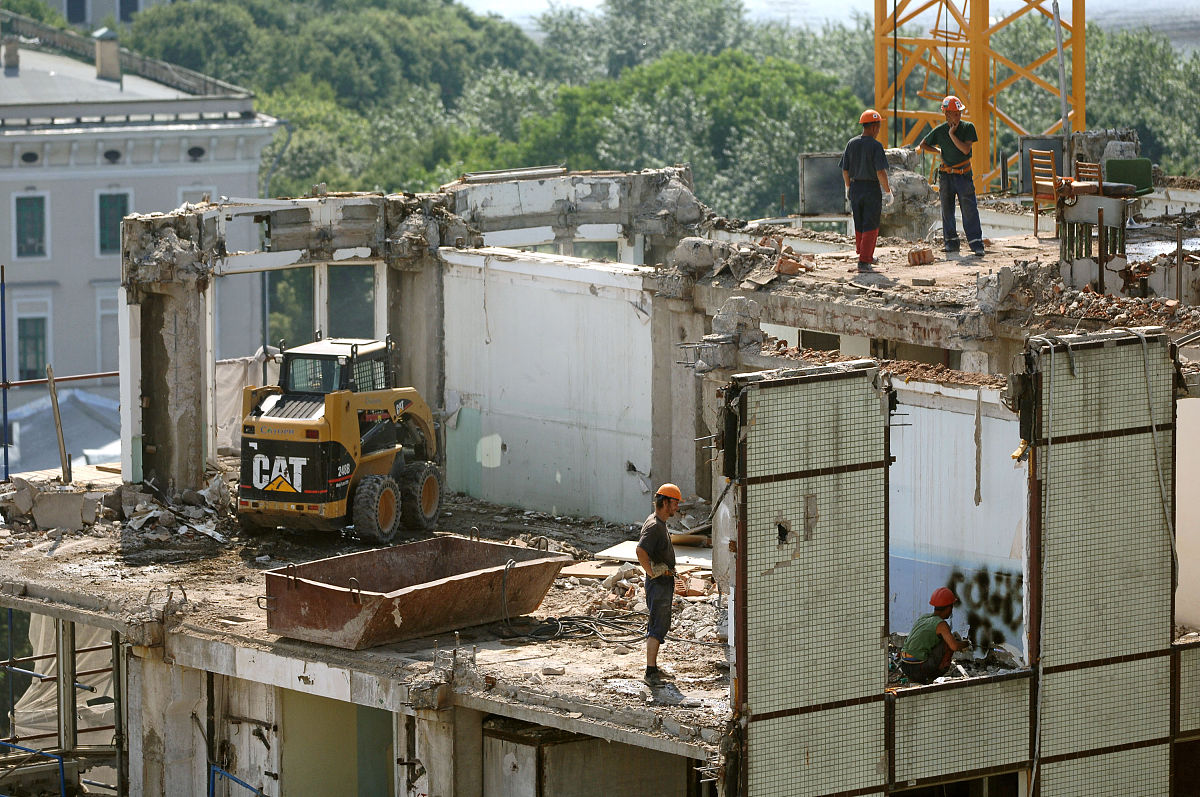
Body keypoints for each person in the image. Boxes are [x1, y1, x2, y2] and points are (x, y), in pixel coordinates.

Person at [918, 95, 985, 257]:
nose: (958, 115)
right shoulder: (939, 131)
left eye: (959, 112)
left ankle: (976, 243)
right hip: (946, 176)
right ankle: (951, 243)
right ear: (947, 114)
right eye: (955, 113)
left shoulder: (968, 128)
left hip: (963, 175)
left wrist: (952, 134)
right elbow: (923, 144)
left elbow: (965, 150)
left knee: (969, 209)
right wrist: (938, 151)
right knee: (947, 210)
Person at [636, 483, 681, 683]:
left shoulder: (658, 522)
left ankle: (653, 668)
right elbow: (640, 550)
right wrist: (652, 572)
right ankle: (650, 672)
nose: (677, 507)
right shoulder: (654, 526)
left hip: (663, 582)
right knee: (656, 625)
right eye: (674, 503)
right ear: (665, 502)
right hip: (659, 583)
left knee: (660, 624)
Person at [840, 108, 894, 272]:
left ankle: (865, 254)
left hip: (855, 187)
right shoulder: (876, 146)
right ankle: (864, 261)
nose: (878, 130)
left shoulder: (851, 143)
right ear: (873, 127)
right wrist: (888, 192)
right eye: (878, 127)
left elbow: (845, 169)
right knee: (871, 224)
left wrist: (848, 186)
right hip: (870, 189)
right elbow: (880, 172)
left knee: (860, 223)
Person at [899, 587, 972, 684]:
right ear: (949, 608)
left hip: (905, 666)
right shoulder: (941, 624)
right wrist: (967, 644)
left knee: (942, 640)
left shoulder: (924, 617)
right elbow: (954, 646)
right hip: (918, 669)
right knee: (948, 643)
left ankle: (916, 680)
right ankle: (931, 678)